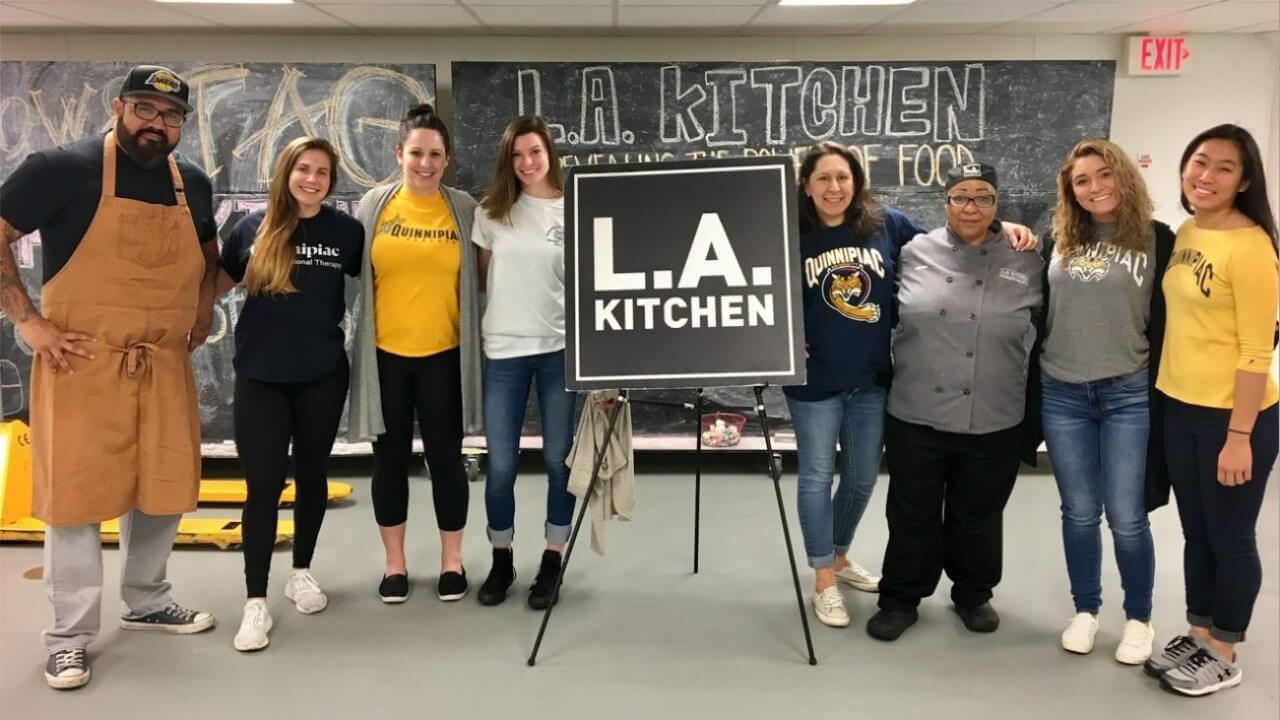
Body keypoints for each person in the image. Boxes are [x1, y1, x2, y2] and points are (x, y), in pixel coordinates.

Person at [0, 65, 219, 690]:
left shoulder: (193, 185)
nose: (158, 124)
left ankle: (147, 599)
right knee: (75, 500)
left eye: (171, 116)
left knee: (162, 485)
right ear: (119, 107)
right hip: (80, 361)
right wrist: (28, 322)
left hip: (163, 360)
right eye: (146, 110)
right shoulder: (59, 169)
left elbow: (206, 253)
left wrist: (203, 306)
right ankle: (68, 638)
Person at [787, 143, 1037, 629]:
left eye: (843, 178)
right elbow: (758, 286)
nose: (834, 188)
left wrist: (999, 229)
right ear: (806, 186)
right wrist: (781, 337)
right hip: (813, 382)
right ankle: (823, 578)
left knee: (861, 479)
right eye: (823, 179)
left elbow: (955, 251)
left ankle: (839, 556)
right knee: (818, 478)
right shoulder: (788, 232)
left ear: (857, 183)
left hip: (872, 381)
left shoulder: (890, 226)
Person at [866, 162, 1044, 642]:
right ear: (944, 203)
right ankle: (901, 597)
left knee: (979, 511)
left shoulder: (1026, 256)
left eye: (983, 197)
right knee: (911, 511)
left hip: (995, 410)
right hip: (916, 410)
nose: (971, 206)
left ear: (996, 203)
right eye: (960, 196)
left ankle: (973, 592)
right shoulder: (912, 252)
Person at [1143, 124, 1279, 697]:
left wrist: (1240, 434)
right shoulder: (1189, 231)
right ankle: (1199, 632)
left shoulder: (1251, 247)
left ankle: (1225, 649)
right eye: (1200, 162)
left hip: (1233, 417)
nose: (1207, 176)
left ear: (1245, 181)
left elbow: (1257, 350)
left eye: (1225, 168)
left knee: (1230, 535)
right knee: (1195, 532)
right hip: (1180, 407)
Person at [214, 137, 363, 651]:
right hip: (260, 378)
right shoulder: (250, 228)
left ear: (331, 181)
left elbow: (380, 282)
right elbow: (213, 283)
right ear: (287, 172)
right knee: (263, 487)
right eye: (304, 169)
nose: (313, 179)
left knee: (314, 476)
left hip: (323, 375)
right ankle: (255, 602)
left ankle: (301, 570)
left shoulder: (347, 232)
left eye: (323, 172)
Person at [1037, 139, 1174, 664]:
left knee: (1127, 514)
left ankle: (1139, 619)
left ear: (1122, 176)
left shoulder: (1157, 239)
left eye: (1102, 175)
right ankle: (1086, 610)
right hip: (1062, 390)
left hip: (1127, 392)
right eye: (1081, 181)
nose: (1094, 188)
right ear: (1070, 191)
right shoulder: (1061, 240)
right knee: (1077, 511)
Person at [347, 103, 482, 603]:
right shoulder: (374, 206)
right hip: (386, 359)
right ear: (398, 153)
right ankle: (395, 565)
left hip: (444, 357)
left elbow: (485, 277)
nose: (425, 163)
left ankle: (452, 562)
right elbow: (353, 280)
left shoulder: (464, 208)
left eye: (436, 155)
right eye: (416, 153)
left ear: (447, 159)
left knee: (447, 462)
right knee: (389, 463)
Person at [471, 116, 579, 609]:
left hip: (559, 352)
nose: (527, 162)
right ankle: (500, 558)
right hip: (505, 353)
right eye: (517, 155)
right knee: (501, 467)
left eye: (534, 152)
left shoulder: (574, 208)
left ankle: (552, 560)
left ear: (549, 153)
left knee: (559, 463)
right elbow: (485, 281)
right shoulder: (491, 212)